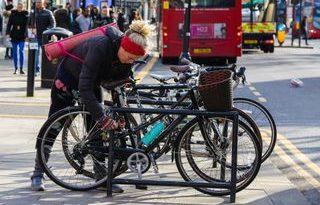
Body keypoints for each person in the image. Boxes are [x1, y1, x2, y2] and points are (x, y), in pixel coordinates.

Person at [30, 20, 151, 193]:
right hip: (68, 80)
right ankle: (37, 173)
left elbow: (119, 86)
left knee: (95, 131)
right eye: (131, 57)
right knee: (54, 126)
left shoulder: (126, 58)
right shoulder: (100, 46)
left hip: (92, 83)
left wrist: (118, 118)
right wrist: (102, 117)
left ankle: (100, 177)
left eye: (135, 60)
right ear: (123, 47)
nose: (130, 62)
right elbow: (84, 86)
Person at [31, 0, 56, 76]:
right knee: (36, 54)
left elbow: (53, 24)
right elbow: (29, 23)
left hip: (45, 37)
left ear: (43, 4)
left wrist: (49, 32)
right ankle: (37, 70)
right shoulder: (33, 12)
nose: (37, 4)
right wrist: (30, 31)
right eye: (37, 2)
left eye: (39, 2)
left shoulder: (48, 12)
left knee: (46, 54)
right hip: (35, 36)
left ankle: (47, 70)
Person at [6, 3, 28, 74]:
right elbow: (9, 24)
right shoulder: (13, 14)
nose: (19, 8)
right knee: (15, 53)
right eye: (18, 7)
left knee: (21, 51)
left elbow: (27, 26)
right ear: (16, 7)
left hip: (22, 35)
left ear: (23, 8)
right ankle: (16, 68)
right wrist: (8, 33)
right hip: (14, 35)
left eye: (21, 7)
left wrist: (27, 35)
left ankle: (21, 68)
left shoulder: (25, 15)